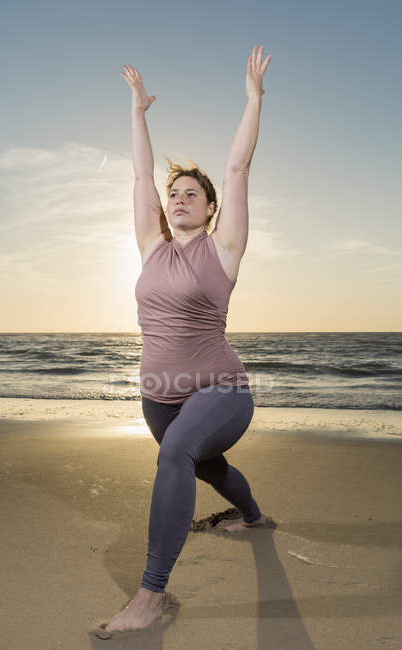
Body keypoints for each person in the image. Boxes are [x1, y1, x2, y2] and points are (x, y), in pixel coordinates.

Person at [105, 44, 272, 635]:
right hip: (159, 398)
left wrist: (253, 101)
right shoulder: (151, 249)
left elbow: (237, 170)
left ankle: (150, 596)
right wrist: (137, 111)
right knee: (208, 466)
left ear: (209, 210)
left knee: (175, 453)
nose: (178, 199)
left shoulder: (224, 251)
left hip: (221, 389)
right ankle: (251, 516)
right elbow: (138, 175)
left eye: (190, 195)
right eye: (173, 193)